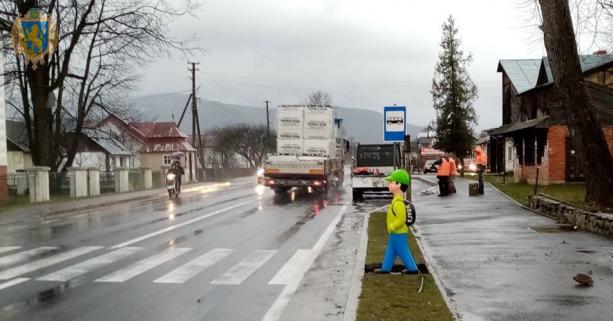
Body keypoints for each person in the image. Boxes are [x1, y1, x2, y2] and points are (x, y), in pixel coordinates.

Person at [374, 169, 419, 274]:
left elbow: (401, 219)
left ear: (398, 184)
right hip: (395, 233)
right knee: (391, 251)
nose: (388, 184)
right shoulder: (397, 200)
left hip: (398, 232)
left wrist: (393, 227)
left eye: (391, 182)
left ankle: (412, 269)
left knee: (403, 251)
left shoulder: (398, 203)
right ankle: (386, 268)